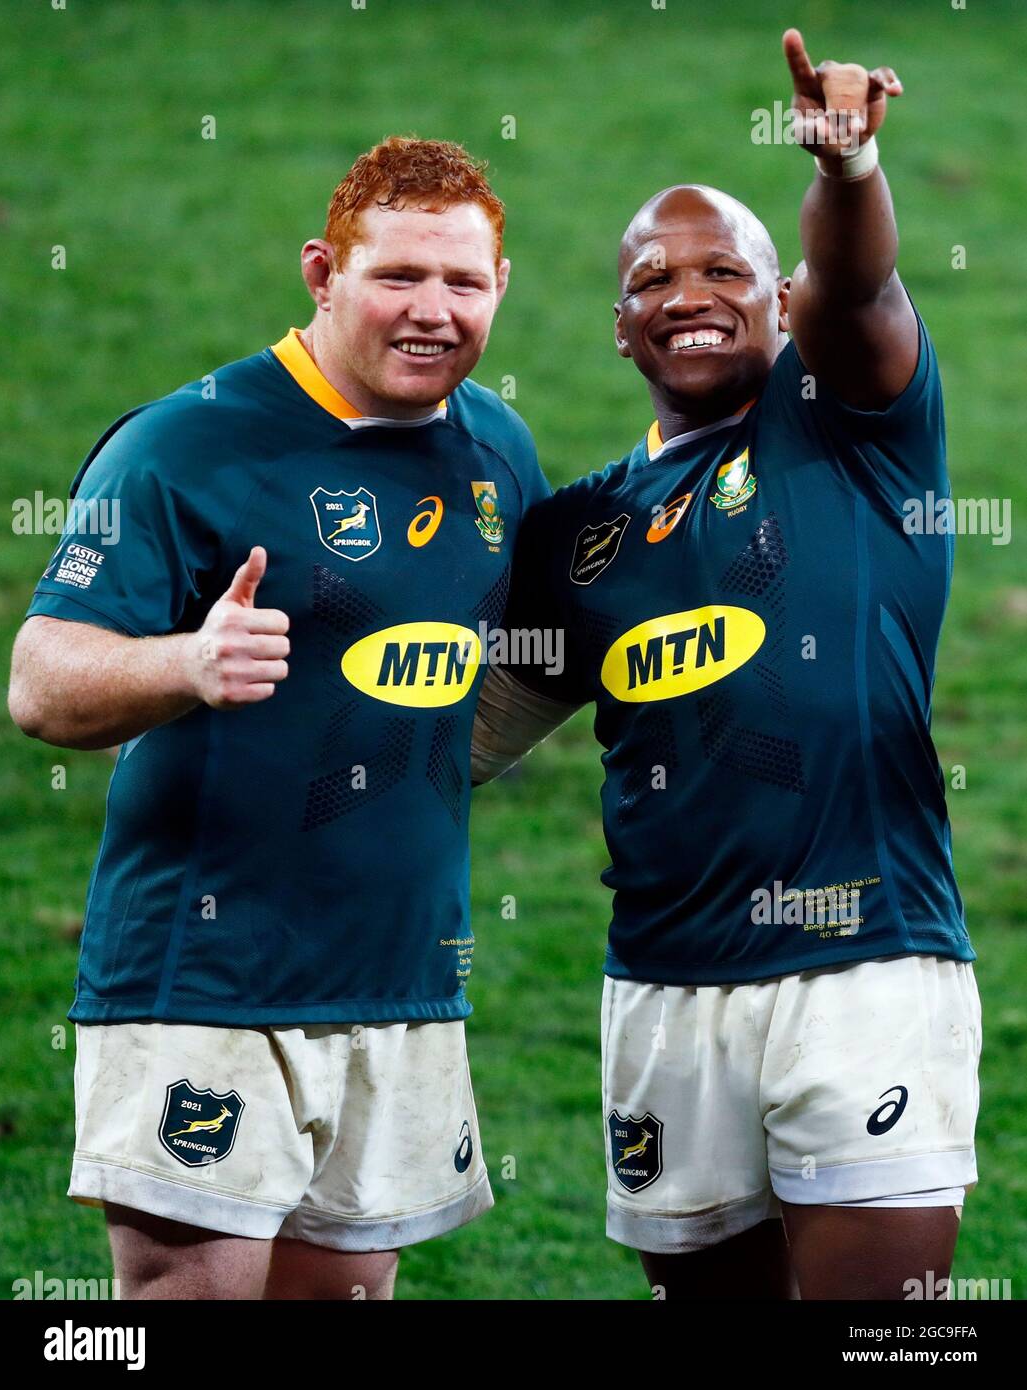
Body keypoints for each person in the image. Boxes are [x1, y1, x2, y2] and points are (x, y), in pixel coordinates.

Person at [471, 31, 981, 1299]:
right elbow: (468, 735)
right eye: (653, 276)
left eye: (724, 270)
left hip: (862, 963)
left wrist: (849, 167)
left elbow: (860, 283)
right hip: (664, 987)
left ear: (780, 298)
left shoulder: (849, 420)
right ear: (619, 326)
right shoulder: (576, 534)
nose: (687, 289)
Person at [8, 136, 549, 1300]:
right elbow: (40, 683)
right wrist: (187, 661)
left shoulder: (497, 450)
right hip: (207, 976)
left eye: (461, 282)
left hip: (400, 977)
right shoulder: (186, 444)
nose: (431, 311)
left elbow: (502, 676)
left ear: (500, 286)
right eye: (396, 275)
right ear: (321, 270)